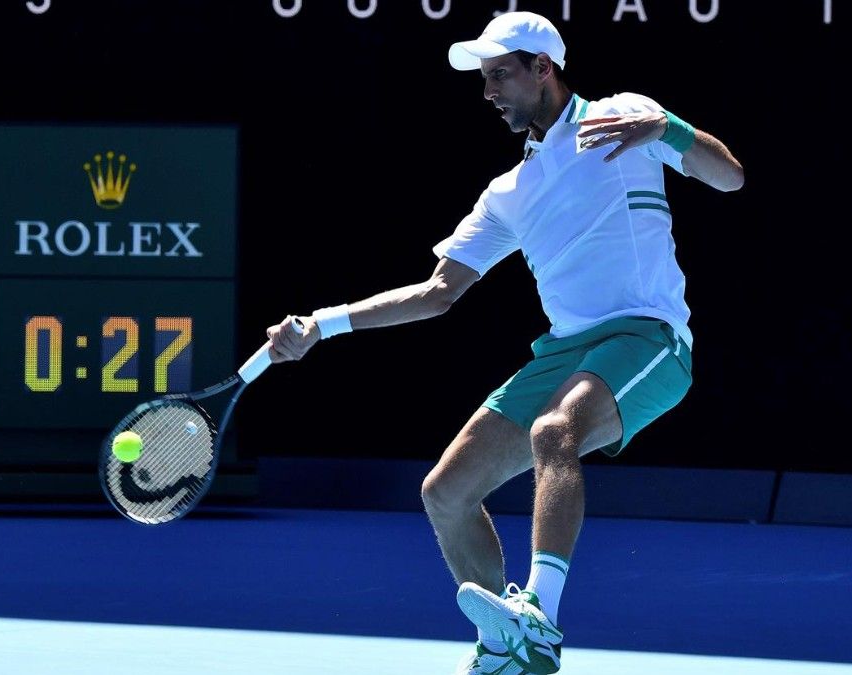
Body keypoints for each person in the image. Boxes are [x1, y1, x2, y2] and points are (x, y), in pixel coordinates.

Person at [265, 11, 743, 675]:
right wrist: (322, 324)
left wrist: (665, 129)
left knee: (555, 431)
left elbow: (730, 177)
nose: (489, 92)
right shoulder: (507, 194)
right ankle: (506, 647)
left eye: (500, 76)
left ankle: (539, 620)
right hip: (565, 352)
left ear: (542, 68)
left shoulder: (621, 117)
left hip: (648, 336)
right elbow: (437, 292)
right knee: (446, 491)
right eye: (484, 79)